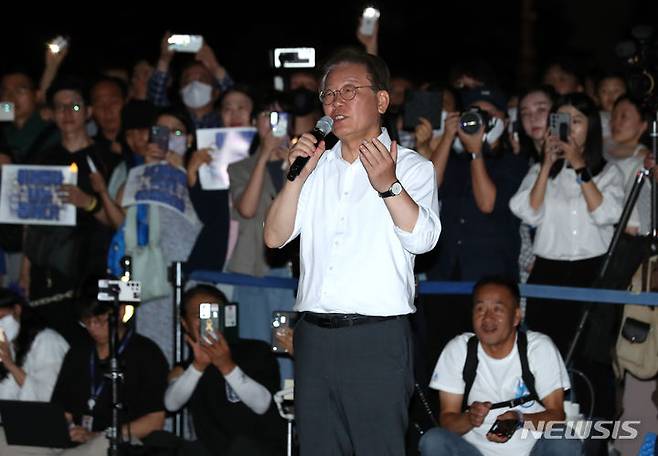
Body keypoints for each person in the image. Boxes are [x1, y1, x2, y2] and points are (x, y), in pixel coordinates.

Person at [263, 48, 441, 455]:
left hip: (376, 338)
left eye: (348, 91)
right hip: (313, 337)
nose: (335, 103)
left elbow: (424, 239)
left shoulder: (411, 167)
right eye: (328, 95)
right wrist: (295, 177)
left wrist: (387, 185)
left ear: (381, 100)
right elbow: (274, 238)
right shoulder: (315, 166)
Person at [509, 93, 624, 421]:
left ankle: (597, 438)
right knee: (549, 358)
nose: (570, 129)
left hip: (594, 272)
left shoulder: (608, 172)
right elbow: (528, 212)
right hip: (549, 273)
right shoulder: (541, 170)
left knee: (593, 360)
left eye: (577, 121)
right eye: (563, 121)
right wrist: (547, 163)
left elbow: (605, 213)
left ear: (591, 128)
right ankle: (550, 433)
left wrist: (579, 166)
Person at [419, 277, 579, 456]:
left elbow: (557, 415)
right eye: (480, 308)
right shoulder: (459, 350)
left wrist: (519, 419)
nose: (487, 317)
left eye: (497, 309)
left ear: (516, 316)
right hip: (475, 451)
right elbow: (448, 421)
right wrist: (470, 418)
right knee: (433, 440)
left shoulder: (538, 348)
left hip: (533, 451)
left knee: (563, 438)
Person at [425, 87, 528, 354]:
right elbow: (427, 188)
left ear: (503, 120)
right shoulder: (453, 159)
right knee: (441, 356)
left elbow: (487, 203)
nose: (479, 120)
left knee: (485, 360)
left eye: (488, 113)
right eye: (473, 113)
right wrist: (448, 137)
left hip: (490, 282)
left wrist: (475, 153)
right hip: (444, 277)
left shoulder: (514, 161)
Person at [20, 77, 114, 346]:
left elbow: (120, 220)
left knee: (96, 344)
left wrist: (89, 202)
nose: (67, 113)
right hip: (50, 273)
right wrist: (25, 271)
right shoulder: (42, 160)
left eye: (74, 106)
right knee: (51, 344)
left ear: (88, 112)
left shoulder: (108, 157)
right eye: (60, 107)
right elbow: (31, 220)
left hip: (96, 267)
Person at [165, 284, 285, 455]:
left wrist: (226, 365)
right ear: (185, 323)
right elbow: (171, 404)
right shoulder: (188, 367)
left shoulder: (256, 351)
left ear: (228, 316)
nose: (208, 323)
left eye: (214, 315)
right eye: (200, 316)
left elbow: (262, 404)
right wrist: (197, 367)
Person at [49, 286, 168, 456]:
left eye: (99, 320)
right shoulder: (79, 352)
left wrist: (100, 435)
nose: (92, 328)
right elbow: (63, 409)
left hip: (125, 442)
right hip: (79, 439)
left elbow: (155, 421)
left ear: (119, 313)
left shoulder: (146, 353)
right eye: (86, 322)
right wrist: (65, 430)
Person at [226, 94, 295, 385]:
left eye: (281, 116)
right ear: (256, 123)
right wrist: (265, 154)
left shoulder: (303, 162)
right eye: (267, 115)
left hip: (290, 276)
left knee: (288, 351)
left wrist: (292, 161)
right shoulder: (239, 168)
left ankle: (290, 415)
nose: (273, 123)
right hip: (254, 273)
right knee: (256, 351)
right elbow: (247, 208)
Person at [0, 288, 70, 454]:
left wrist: (10, 365)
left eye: (1, 318)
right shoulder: (8, 345)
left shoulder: (47, 342)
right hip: (10, 429)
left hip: (43, 433)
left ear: (17, 310)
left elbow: (48, 397)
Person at [148, 32, 233, 129]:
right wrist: (164, 60)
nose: (194, 84)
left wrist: (215, 67)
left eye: (202, 79)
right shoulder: (173, 119)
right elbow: (157, 98)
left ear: (216, 92)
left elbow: (237, 98)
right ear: (180, 92)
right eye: (187, 81)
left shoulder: (227, 121)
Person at [0, 70, 59, 164]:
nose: (10, 97)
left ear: (37, 95)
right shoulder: (4, 132)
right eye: (5, 91)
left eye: (19, 90)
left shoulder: (54, 129)